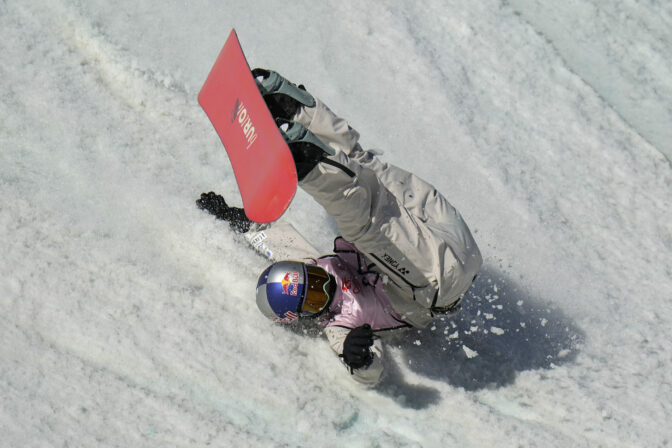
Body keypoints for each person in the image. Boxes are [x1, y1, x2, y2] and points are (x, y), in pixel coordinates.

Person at [197, 69, 482, 386]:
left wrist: (232, 216)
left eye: (315, 278)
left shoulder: (308, 262)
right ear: (307, 316)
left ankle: (293, 108)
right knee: (364, 227)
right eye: (314, 300)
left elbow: (266, 238)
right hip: (438, 283)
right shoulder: (338, 325)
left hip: (439, 229)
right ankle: (306, 159)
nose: (324, 287)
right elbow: (369, 375)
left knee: (367, 168)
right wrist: (357, 356)